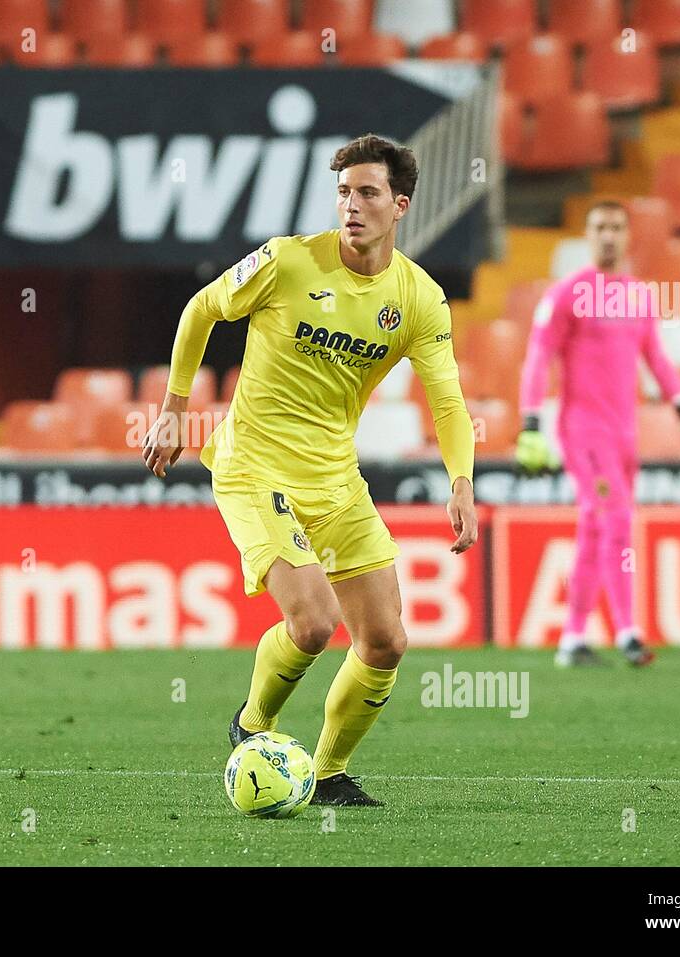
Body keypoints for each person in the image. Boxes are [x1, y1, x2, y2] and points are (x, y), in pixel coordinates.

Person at [142, 134, 478, 807]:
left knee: (385, 640)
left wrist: (461, 481)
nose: (350, 205)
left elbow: (447, 398)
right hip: (253, 465)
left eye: (367, 193)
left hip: (336, 480)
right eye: (344, 192)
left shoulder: (418, 299)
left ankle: (327, 772)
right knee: (315, 623)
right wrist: (176, 407)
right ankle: (253, 725)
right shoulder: (288, 261)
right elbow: (202, 308)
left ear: (400, 204)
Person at [516, 201, 680, 667]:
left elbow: (656, 358)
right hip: (584, 431)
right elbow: (538, 357)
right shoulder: (567, 295)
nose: (608, 235)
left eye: (616, 227)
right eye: (600, 226)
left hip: (626, 432)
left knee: (595, 526)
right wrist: (530, 425)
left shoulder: (639, 296)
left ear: (627, 236)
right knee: (617, 518)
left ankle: (572, 639)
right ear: (587, 234)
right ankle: (628, 632)